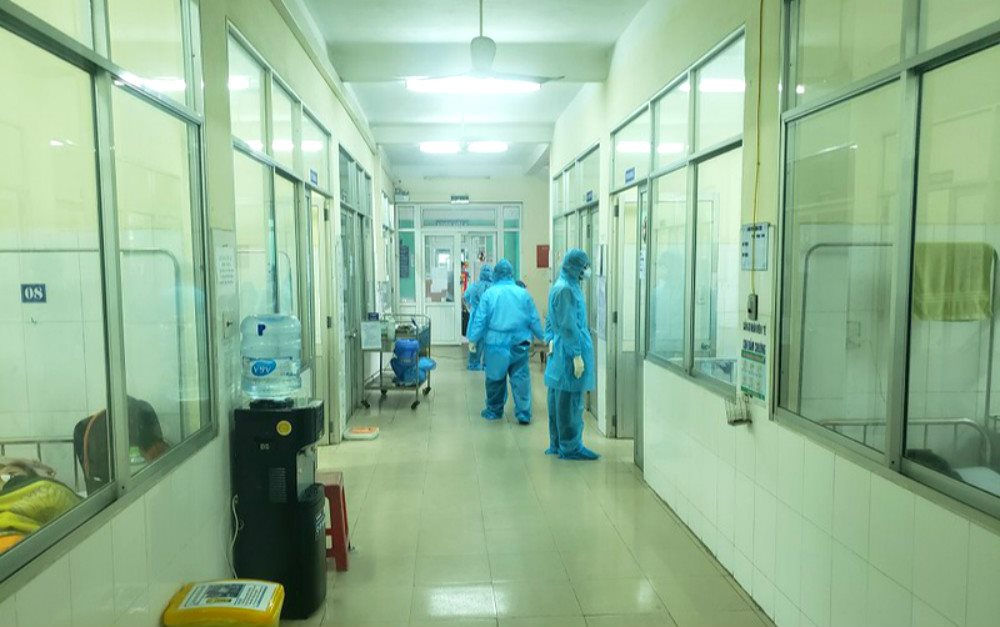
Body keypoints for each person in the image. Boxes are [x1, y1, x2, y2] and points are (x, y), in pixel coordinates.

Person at [467, 258, 545, 423]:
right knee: (521, 378)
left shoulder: (490, 294)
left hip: (496, 345)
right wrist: (544, 338)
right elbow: (534, 319)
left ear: (496, 274)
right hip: (520, 344)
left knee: (495, 379)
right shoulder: (523, 294)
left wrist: (473, 339)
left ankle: (494, 410)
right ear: (511, 273)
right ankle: (523, 413)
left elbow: (480, 320)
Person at [545, 248, 599, 460]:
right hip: (568, 352)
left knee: (558, 399)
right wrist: (576, 355)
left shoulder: (564, 286)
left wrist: (550, 340)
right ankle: (570, 446)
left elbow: (551, 321)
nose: (587, 270)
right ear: (575, 267)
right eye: (584, 267)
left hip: (561, 350)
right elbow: (568, 327)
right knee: (569, 401)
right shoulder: (566, 290)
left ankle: (557, 443)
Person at [463, 264, 493, 370]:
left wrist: (470, 306)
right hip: (490, 318)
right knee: (489, 342)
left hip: (476, 316)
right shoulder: (494, 288)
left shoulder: (474, 286)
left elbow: (465, 296)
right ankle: (487, 365)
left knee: (475, 342)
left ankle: (473, 364)